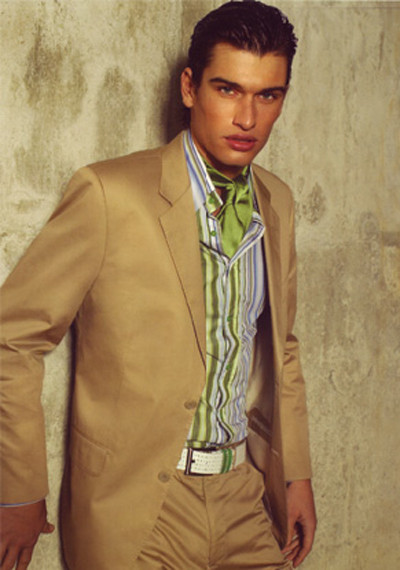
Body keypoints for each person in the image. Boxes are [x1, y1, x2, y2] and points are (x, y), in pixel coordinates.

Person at [0, 1, 316, 569]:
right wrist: (18, 490)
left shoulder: (278, 202)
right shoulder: (109, 194)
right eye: (228, 89)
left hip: (244, 494)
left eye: (268, 95)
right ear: (190, 88)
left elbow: (281, 348)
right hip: (139, 506)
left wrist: (295, 475)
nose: (248, 117)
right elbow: (13, 337)